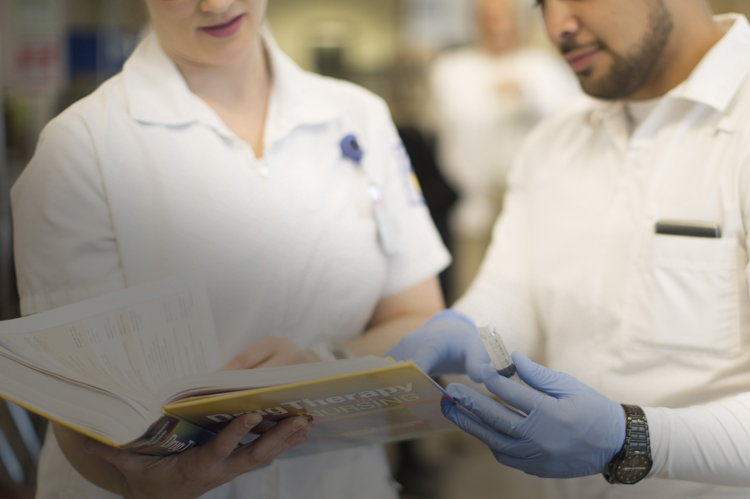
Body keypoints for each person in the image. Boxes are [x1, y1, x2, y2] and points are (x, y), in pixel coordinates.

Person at [11, 1, 450, 498]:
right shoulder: (82, 146)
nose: (216, 4)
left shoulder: (357, 117)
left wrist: (326, 364)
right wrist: (144, 485)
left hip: (340, 481)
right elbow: (76, 405)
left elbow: (418, 315)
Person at [388, 0, 750, 497]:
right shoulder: (553, 141)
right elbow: (515, 289)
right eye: (541, 4)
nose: (558, 27)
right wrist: (469, 326)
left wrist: (634, 440)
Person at [430, 0, 578, 297]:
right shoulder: (452, 69)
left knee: (529, 291)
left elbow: (570, 120)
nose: (498, 27)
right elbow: (449, 134)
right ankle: (476, 344)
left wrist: (528, 95)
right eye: (489, 19)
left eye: (504, 18)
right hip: (475, 202)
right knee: (473, 292)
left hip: (538, 203)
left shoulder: (544, 67)